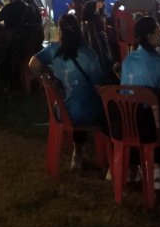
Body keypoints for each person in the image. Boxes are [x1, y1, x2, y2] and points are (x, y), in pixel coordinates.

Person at [29, 13, 106, 169]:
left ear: (60, 31)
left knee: (78, 101)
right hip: (87, 113)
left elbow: (32, 63)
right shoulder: (89, 54)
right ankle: (110, 162)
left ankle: (77, 154)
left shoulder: (53, 51)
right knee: (99, 108)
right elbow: (100, 87)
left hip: (62, 112)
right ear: (79, 31)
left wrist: (47, 72)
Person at [121, 16, 160, 190]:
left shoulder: (128, 61)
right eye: (158, 31)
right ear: (150, 36)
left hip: (129, 122)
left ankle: (143, 168)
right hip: (153, 126)